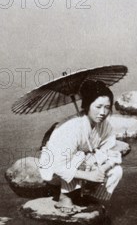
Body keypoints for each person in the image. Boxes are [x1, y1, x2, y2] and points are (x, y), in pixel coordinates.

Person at [39, 80, 123, 213]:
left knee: (116, 171)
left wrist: (101, 169)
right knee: (79, 157)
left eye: (107, 107)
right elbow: (58, 165)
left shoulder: (104, 125)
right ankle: (64, 197)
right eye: (98, 106)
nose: (103, 112)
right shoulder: (71, 127)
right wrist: (89, 175)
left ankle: (88, 195)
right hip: (55, 168)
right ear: (87, 105)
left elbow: (111, 151)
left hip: (83, 165)